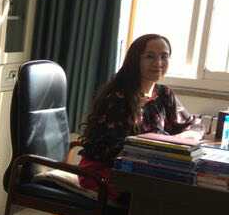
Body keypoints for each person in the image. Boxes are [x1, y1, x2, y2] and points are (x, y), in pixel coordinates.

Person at [79, 34, 195, 198]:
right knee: (168, 197)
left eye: (164, 56)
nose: (158, 63)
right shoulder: (117, 98)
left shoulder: (164, 94)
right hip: (104, 172)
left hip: (143, 170)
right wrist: (165, 145)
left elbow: (193, 125)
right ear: (135, 60)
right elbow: (115, 151)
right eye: (150, 56)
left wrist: (184, 138)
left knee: (190, 187)